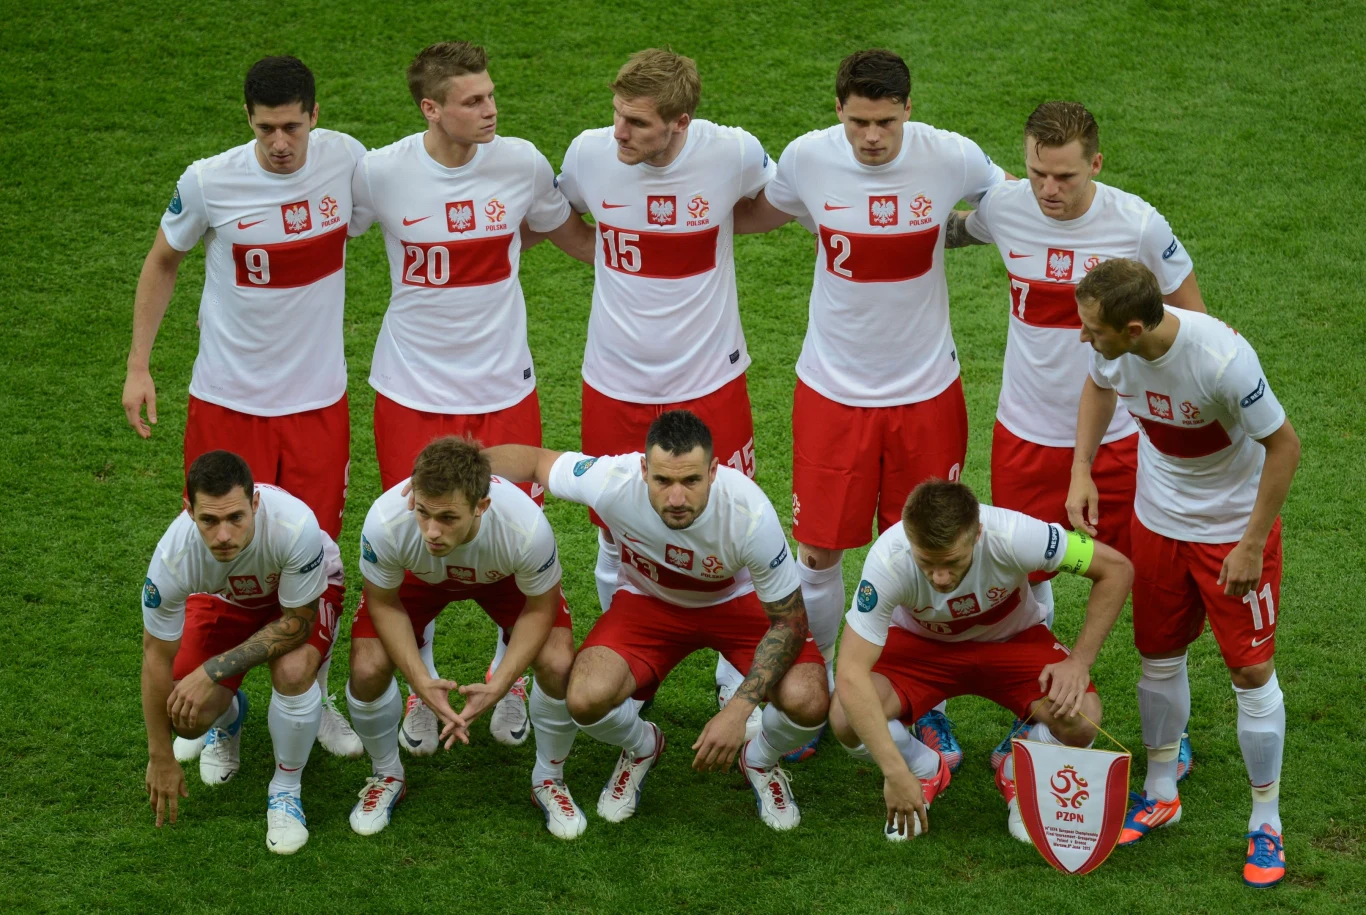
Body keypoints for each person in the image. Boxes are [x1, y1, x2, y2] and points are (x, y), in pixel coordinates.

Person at [731, 49, 1008, 763]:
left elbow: (1010, 202)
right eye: (859, 122)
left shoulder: (951, 158)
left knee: (929, 547)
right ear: (839, 111)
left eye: (885, 122)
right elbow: (767, 211)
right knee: (820, 548)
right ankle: (825, 688)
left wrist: (962, 229)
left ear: (908, 111)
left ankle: (926, 701)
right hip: (832, 392)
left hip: (926, 393)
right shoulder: (807, 158)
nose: (872, 137)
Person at [350, 41, 595, 755]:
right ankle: (420, 680)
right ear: (432, 109)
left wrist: (650, 244)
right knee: (420, 534)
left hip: (503, 391)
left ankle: (510, 675)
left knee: (508, 531)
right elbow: (329, 224)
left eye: (491, 96)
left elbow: (563, 232)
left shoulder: (519, 162)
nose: (491, 109)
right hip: (410, 392)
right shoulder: (380, 172)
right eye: (473, 101)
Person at [122, 56, 363, 758]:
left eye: (292, 126)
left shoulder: (347, 163)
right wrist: (139, 364)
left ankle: (308, 690)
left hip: (318, 403)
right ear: (248, 122)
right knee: (220, 546)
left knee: (317, 554)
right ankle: (224, 708)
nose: (280, 142)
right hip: (226, 402)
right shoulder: (210, 180)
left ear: (315, 116)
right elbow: (163, 258)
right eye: (266, 129)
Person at [960, 100, 1205, 770]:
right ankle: (1035, 712)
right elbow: (950, 226)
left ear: (1095, 164)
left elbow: (1196, 321)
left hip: (1126, 441)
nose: (1049, 190)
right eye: (1038, 172)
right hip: (1024, 435)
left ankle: (1168, 729)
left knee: (1151, 580)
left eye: (1065, 176)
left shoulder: (1137, 223)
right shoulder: (1006, 206)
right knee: (1021, 580)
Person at [553, 50, 777, 740]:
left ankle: (731, 667)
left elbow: (773, 205)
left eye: (636, 124)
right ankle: (632, 658)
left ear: (680, 123)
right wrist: (617, 256)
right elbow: (561, 219)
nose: (617, 133)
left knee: (726, 514)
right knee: (614, 524)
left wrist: (710, 231)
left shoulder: (732, 152)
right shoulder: (591, 154)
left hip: (711, 378)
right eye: (617, 116)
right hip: (613, 380)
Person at [1068, 259, 1300, 888]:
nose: (1083, 337)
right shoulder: (1112, 348)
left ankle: (1266, 822)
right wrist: (1082, 467)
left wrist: (1252, 544)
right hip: (1158, 519)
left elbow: (1285, 446)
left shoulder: (1222, 361)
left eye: (1093, 329)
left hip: (1231, 530)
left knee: (1250, 671)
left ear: (1135, 326)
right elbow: (1099, 385)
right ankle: (1160, 789)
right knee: (1158, 653)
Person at [484, 411, 828, 830]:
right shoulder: (613, 477)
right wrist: (463, 466)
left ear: (714, 471)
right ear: (644, 469)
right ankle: (642, 745)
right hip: (649, 603)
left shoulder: (749, 513)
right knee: (584, 698)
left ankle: (760, 760)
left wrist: (739, 710)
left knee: (810, 700)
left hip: (736, 604)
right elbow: (539, 461)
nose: (677, 498)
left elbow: (789, 623)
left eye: (691, 481)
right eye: (663, 481)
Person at [830, 479, 1132, 842]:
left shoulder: (1016, 534)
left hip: (1010, 642)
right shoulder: (888, 560)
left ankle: (1021, 772)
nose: (940, 577)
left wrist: (1079, 662)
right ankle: (924, 768)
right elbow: (849, 673)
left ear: (977, 535)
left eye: (952, 562)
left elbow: (1116, 568)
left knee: (1082, 719)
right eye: (927, 562)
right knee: (846, 718)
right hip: (921, 649)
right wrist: (895, 772)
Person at [345, 437, 584, 839]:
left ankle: (550, 779)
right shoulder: (387, 520)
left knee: (559, 662)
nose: (432, 531)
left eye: (448, 518)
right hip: (418, 577)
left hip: (501, 579)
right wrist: (419, 679)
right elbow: (383, 604)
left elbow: (539, 609)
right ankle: (386, 774)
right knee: (367, 667)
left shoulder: (524, 527)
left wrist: (500, 684)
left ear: (481, 507)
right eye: (423, 512)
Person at [140, 451, 345, 854]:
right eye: (209, 521)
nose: (223, 535)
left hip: (295, 603)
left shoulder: (295, 524)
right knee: (183, 714)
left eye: (235, 517)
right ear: (189, 511)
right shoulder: (173, 557)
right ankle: (229, 717)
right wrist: (160, 756)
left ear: (255, 504)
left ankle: (285, 789)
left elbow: (296, 624)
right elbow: (155, 657)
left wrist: (213, 670)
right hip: (227, 598)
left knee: (292, 669)